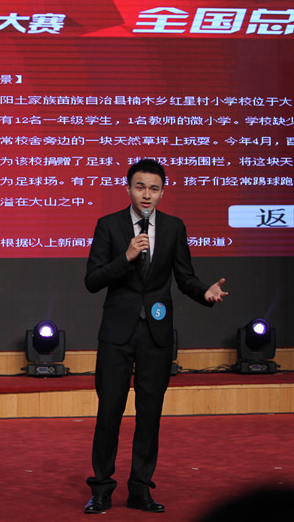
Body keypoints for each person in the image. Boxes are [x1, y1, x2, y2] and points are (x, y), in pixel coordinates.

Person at [83, 159, 228, 515]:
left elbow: (185, 276)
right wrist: (127, 256)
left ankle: (140, 489)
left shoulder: (174, 228)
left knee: (150, 415)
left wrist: (205, 292)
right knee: (109, 412)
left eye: (154, 188)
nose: (146, 195)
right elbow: (92, 280)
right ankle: (101, 489)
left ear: (163, 192)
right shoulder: (109, 225)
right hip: (117, 334)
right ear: (128, 188)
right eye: (140, 187)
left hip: (157, 335)